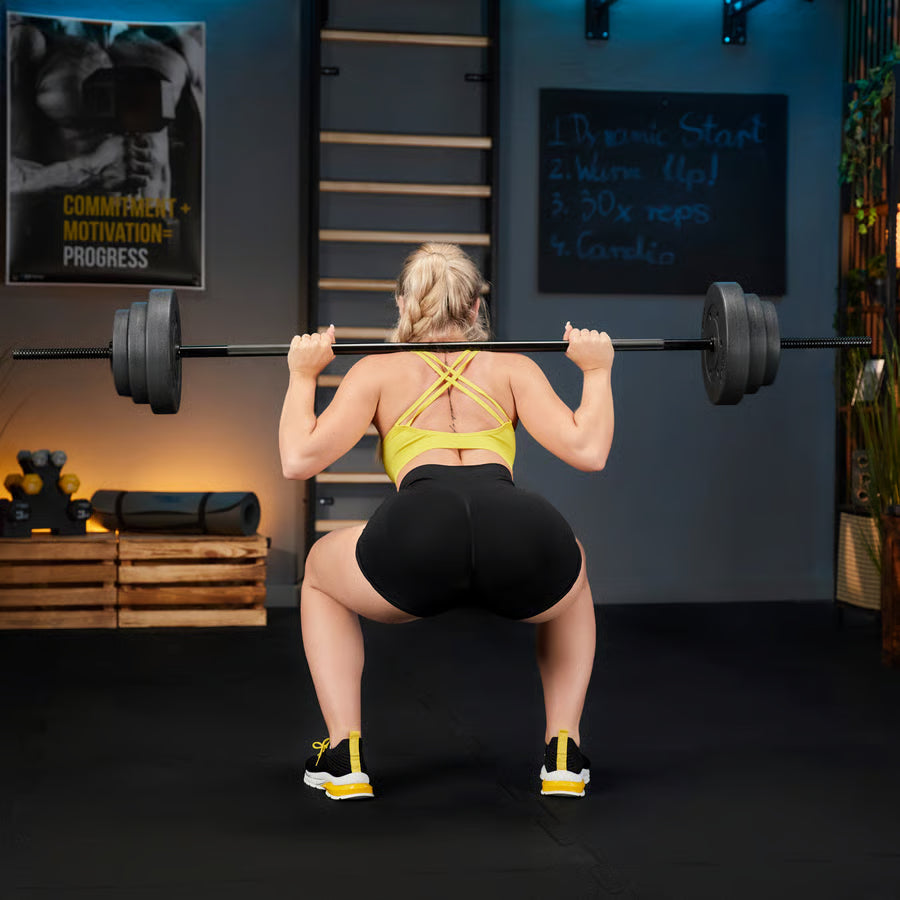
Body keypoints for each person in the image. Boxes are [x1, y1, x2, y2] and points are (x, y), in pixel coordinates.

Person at [279, 243, 615, 801]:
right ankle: (563, 750)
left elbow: (298, 460)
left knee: (318, 571)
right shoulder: (514, 367)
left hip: (420, 533)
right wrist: (597, 371)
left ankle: (343, 755)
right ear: (476, 307)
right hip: (517, 529)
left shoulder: (376, 372)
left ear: (403, 304)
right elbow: (589, 450)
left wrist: (302, 375)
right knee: (571, 570)